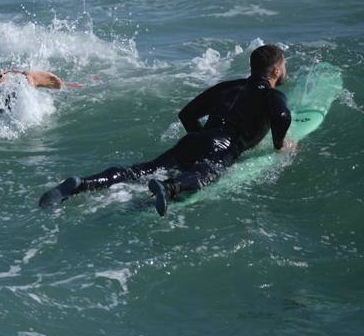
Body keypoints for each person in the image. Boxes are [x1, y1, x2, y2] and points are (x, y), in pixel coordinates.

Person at [38, 44, 293, 216]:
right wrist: (280, 145)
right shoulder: (271, 95)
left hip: (194, 139)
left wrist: (202, 137)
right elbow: (282, 115)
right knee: (205, 173)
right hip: (222, 146)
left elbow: (187, 114)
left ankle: (80, 184)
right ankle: (170, 188)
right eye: (285, 67)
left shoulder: (228, 87)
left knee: (141, 169)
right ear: (275, 70)